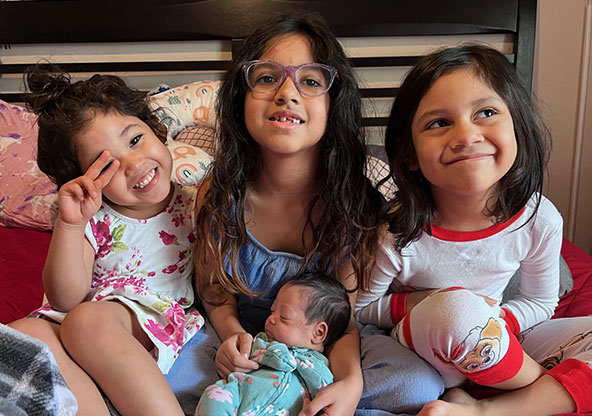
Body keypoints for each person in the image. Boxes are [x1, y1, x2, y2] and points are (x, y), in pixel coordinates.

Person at [163, 12, 444, 416]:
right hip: (239, 339)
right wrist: (234, 339)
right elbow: (215, 295)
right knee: (164, 378)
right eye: (266, 78)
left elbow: (343, 318)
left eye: (310, 81)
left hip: (324, 347)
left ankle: (293, 402)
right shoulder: (218, 192)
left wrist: (350, 383)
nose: (286, 93)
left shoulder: (352, 205)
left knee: (418, 385)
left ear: (334, 103)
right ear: (240, 97)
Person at [355, 44, 592, 416]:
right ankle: (540, 388)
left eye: (485, 112)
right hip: (429, 347)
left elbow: (540, 303)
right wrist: (420, 302)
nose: (466, 136)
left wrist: (500, 321)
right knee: (455, 309)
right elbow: (362, 308)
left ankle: (481, 409)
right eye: (439, 123)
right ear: (410, 157)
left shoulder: (538, 218)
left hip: (499, 338)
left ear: (517, 127)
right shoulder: (398, 232)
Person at [8, 66, 204, 416]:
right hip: (78, 320)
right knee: (23, 334)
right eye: (106, 165)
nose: (133, 163)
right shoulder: (89, 216)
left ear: (157, 129)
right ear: (84, 180)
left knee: (88, 322)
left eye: (135, 140)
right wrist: (71, 225)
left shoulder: (195, 202)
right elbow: (65, 299)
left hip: (145, 316)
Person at [195, 272, 350, 415]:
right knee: (215, 395)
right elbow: (249, 354)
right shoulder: (262, 341)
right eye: (272, 311)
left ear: (318, 332)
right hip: (239, 397)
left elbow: (324, 390)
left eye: (284, 316)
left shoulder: (318, 365)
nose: (271, 319)